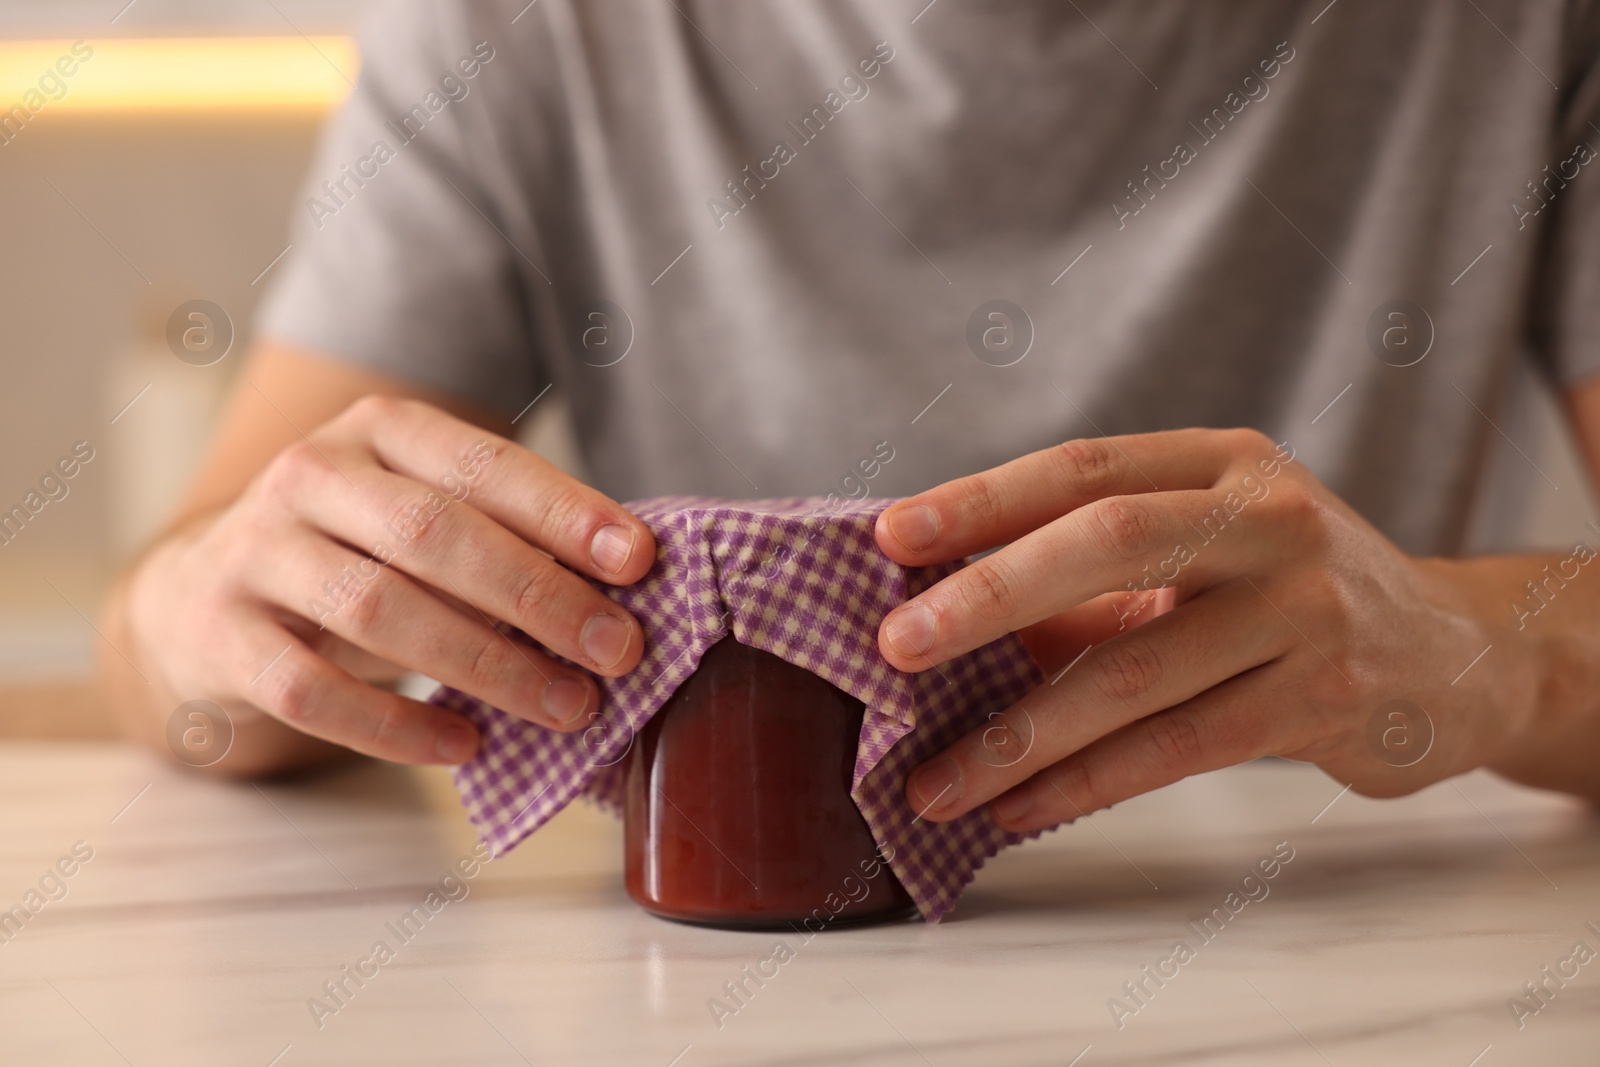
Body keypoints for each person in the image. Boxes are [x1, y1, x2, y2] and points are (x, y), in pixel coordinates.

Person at [102, 1, 1600, 833]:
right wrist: (212, 614)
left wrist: (1494, 654)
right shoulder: (524, 29)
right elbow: (190, 642)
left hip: (1347, 959)